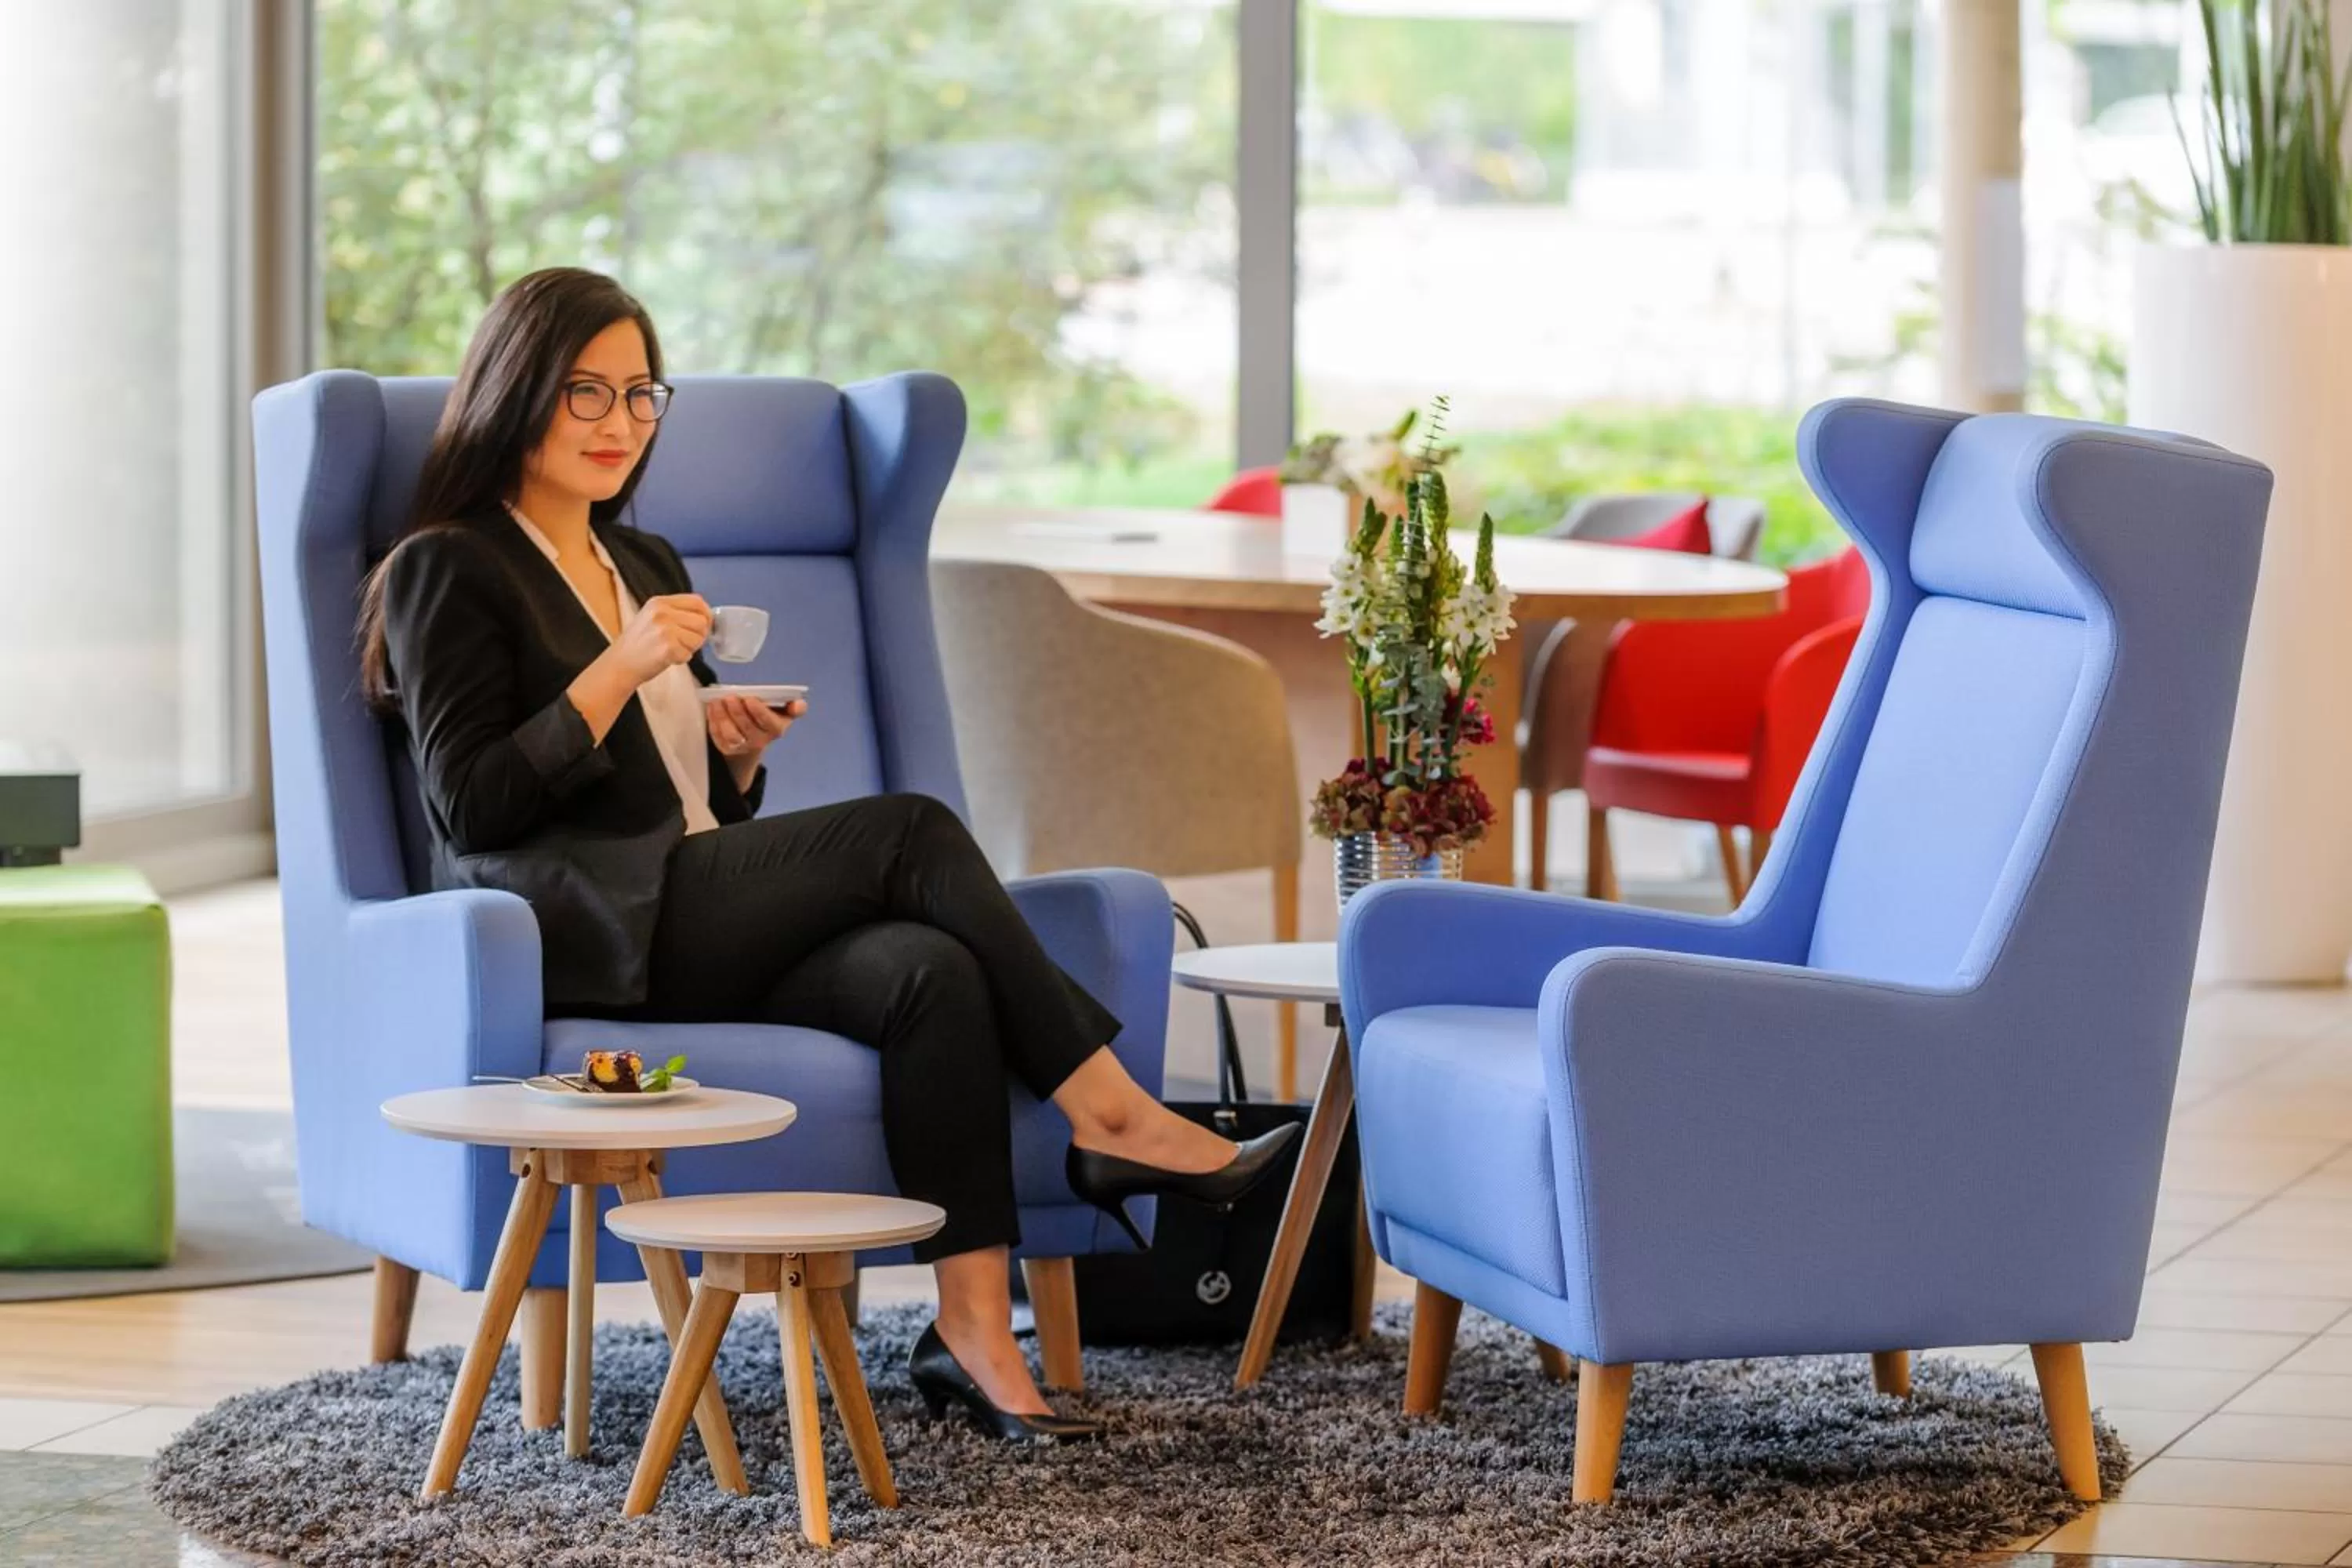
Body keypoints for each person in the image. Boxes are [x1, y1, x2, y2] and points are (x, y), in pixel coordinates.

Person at [357, 267, 1297, 1443]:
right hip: (583, 929)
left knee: (928, 974)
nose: (619, 422)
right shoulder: (446, 564)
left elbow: (689, 813)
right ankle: (1111, 1113)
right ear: (515, 391)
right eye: (585, 392)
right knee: (909, 829)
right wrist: (621, 667)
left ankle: (973, 1333)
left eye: (642, 394)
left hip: (687, 904)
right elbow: (473, 805)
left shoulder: (644, 563)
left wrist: (736, 756)